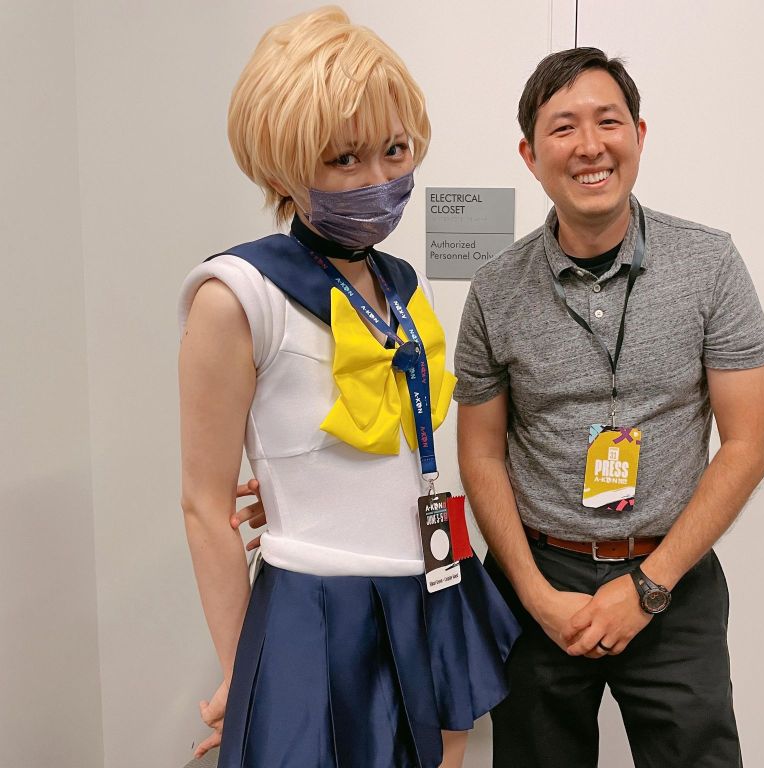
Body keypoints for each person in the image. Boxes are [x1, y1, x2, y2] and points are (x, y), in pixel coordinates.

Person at [177, 8, 518, 767]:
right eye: (344, 158)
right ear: (282, 170)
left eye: (395, 149)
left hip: (432, 580)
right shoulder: (235, 294)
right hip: (318, 603)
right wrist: (243, 670)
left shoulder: (400, 283)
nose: (379, 179)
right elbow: (203, 504)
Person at [454, 47, 764, 767]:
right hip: (539, 582)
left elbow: (749, 443)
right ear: (530, 154)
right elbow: (479, 452)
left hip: (674, 580)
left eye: (608, 121)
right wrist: (535, 595)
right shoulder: (496, 290)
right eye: (563, 127)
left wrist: (649, 587)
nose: (590, 145)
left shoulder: (710, 264)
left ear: (639, 134)